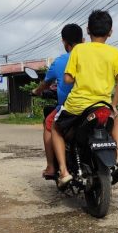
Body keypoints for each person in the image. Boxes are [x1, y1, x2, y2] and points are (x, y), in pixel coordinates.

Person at [52, 9, 118, 187]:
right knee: (114, 115)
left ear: (87, 30)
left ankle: (63, 172)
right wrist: (113, 104)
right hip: (101, 105)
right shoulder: (115, 53)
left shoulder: (79, 49)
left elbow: (68, 78)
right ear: (110, 32)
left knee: (55, 128)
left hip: (77, 106)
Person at [31, 23, 84, 177]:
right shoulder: (91, 58)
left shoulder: (60, 61)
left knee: (49, 124)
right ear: (83, 39)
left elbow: (46, 84)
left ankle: (51, 167)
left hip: (70, 106)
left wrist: (36, 91)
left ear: (64, 41)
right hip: (96, 104)